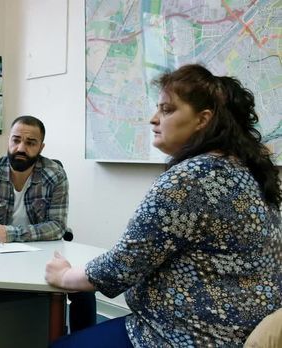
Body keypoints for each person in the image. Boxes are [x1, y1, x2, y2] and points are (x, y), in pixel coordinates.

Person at [45, 64, 282, 347]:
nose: (153, 119)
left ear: (202, 119)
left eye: (167, 110)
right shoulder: (247, 169)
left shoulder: (191, 177)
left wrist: (65, 274)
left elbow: (122, 266)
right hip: (241, 330)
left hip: (185, 336)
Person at [0, 115, 97, 332]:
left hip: (43, 251)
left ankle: (84, 340)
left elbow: (57, 226)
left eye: (30, 143)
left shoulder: (55, 174)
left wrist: (11, 234)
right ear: (8, 141)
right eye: (16, 140)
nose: (21, 148)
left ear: (41, 147)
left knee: (84, 290)